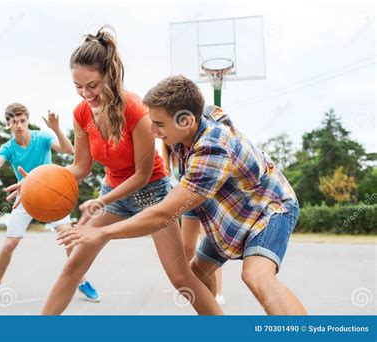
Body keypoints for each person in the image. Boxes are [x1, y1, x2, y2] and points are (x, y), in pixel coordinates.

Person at [5, 27, 222, 315]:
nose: (86, 94)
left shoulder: (137, 111)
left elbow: (142, 175)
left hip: (153, 194)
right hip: (113, 193)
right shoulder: (81, 112)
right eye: (78, 87)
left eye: (92, 86)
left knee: (180, 276)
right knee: (72, 267)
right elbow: (80, 167)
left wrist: (101, 201)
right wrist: (35, 181)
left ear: (110, 74)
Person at [58, 75, 307, 315]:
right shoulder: (192, 123)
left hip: (267, 208)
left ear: (186, 121)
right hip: (228, 213)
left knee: (255, 275)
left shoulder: (211, 152)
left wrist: (101, 232)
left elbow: (163, 213)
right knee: (195, 276)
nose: (153, 132)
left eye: (159, 125)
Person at [0, 103, 100, 302]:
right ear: (8, 124)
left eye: (22, 120)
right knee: (10, 243)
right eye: (14, 121)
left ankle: (82, 281)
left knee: (68, 237)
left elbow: (68, 150)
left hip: (52, 195)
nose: (18, 125)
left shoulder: (41, 138)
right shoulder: (8, 148)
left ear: (27, 120)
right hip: (24, 197)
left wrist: (56, 129)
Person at [162, 142, 226, 306]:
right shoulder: (168, 157)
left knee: (211, 248)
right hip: (187, 204)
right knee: (187, 248)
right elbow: (170, 183)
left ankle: (218, 292)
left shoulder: (192, 147)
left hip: (205, 200)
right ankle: (195, 285)